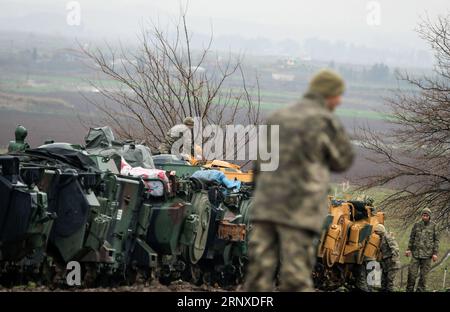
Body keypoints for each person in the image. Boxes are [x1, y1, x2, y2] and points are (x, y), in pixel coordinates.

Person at [243, 69, 354, 291]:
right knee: (295, 274)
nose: (340, 101)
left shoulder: (278, 116)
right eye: (338, 95)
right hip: (300, 208)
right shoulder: (326, 122)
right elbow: (342, 160)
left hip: (267, 205)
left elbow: (260, 164)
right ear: (328, 95)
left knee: (258, 273)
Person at [405, 208, 440, 292]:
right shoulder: (416, 225)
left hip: (427, 255)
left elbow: (436, 241)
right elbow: (412, 238)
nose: (424, 217)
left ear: (429, 216)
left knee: (423, 277)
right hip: (415, 254)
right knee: (411, 275)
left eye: (426, 215)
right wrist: (408, 249)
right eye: (423, 215)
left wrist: (435, 253)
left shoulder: (434, 226)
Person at [375, 224, 400, 292]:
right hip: (385, 264)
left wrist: (394, 259)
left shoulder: (387, 236)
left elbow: (395, 248)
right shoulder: (381, 238)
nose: (376, 233)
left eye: (376, 232)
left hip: (392, 263)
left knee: (390, 282)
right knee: (383, 282)